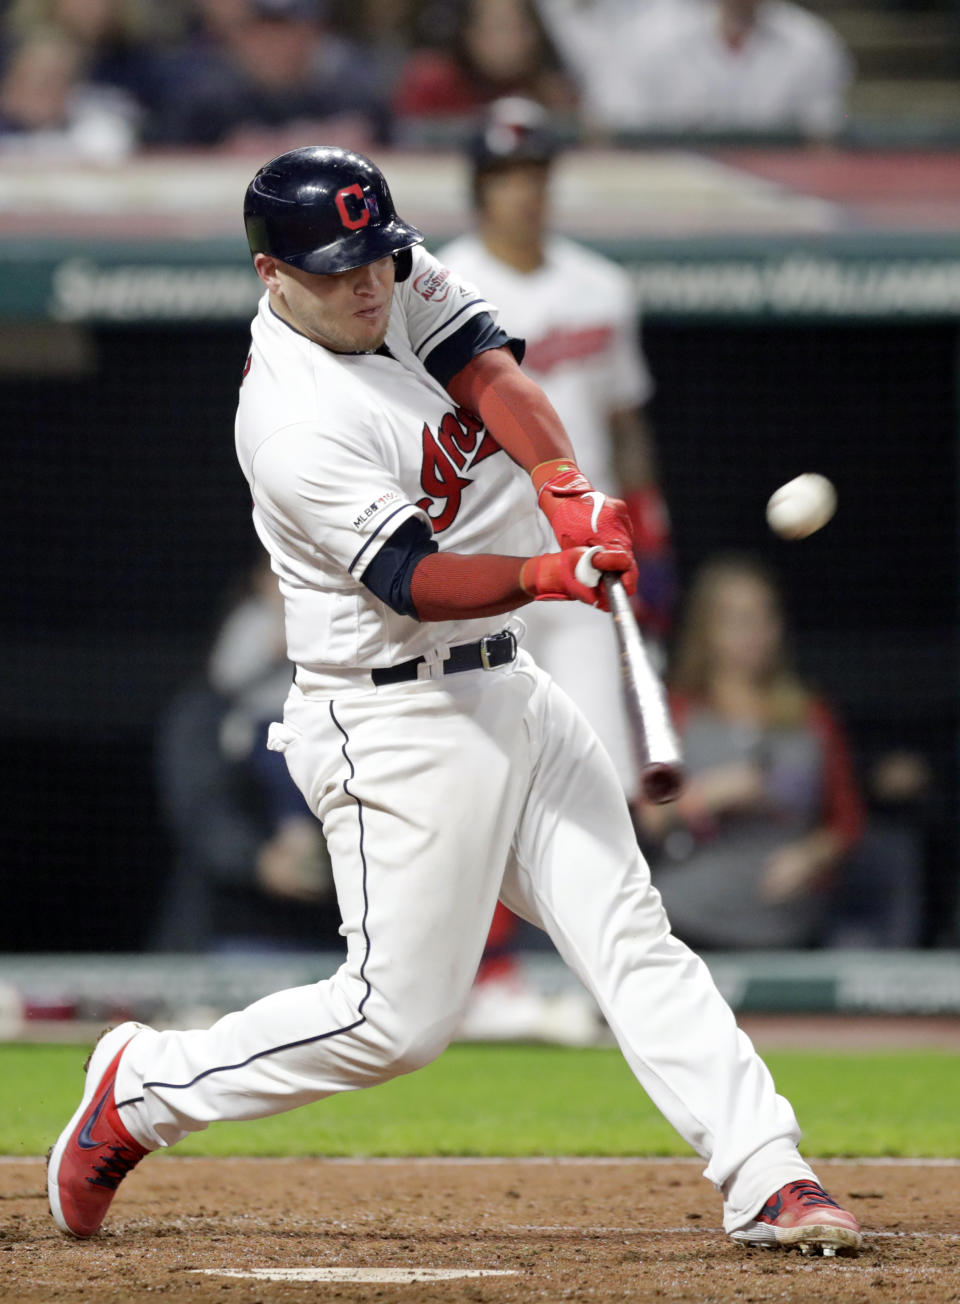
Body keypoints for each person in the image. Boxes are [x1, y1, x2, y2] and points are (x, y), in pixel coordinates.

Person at [47, 145, 862, 1258]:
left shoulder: (393, 271)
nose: (367, 283)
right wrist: (547, 569)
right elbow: (411, 580)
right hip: (390, 716)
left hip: (506, 683)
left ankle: (768, 1170)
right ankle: (141, 1086)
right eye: (335, 270)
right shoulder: (289, 420)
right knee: (397, 1020)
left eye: (375, 255)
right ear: (269, 275)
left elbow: (489, 369)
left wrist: (565, 488)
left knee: (630, 931)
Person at [639, 554, 864, 950]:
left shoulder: (811, 714)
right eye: (740, 621)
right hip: (684, 919)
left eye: (766, 618)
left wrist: (810, 857)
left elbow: (846, 822)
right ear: (707, 631)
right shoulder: (675, 712)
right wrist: (715, 792)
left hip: (786, 922)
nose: (757, 634)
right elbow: (648, 819)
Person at [153, 556, 336, 954]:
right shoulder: (210, 710)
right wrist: (258, 861)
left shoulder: (352, 699)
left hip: (339, 936)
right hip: (233, 934)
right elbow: (199, 809)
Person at [549, 0, 852, 139]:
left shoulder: (812, 45)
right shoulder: (648, 38)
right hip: (666, 199)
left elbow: (823, 145)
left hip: (779, 204)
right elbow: (612, 130)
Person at [393, 0, 575, 125]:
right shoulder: (432, 83)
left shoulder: (552, 94)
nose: (508, 40)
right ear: (468, 33)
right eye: (498, 27)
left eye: (520, 27)